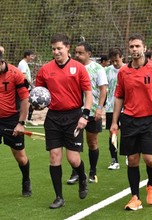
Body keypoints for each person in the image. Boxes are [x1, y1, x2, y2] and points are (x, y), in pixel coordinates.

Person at [110, 33, 152, 211]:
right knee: (133, 159)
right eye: (131, 47)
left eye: (137, 46)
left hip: (150, 119)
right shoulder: (123, 72)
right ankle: (135, 197)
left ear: (144, 47)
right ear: (128, 50)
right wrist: (114, 122)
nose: (134, 49)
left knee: (150, 160)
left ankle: (151, 184)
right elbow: (119, 97)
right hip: (129, 120)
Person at [35, 33, 92, 209]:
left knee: (73, 159)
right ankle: (59, 197)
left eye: (59, 48)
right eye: (53, 49)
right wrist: (36, 104)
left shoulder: (79, 68)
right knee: (54, 157)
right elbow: (39, 93)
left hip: (74, 117)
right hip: (53, 117)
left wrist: (85, 115)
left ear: (67, 47)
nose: (56, 52)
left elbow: (88, 93)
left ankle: (82, 178)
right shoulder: (45, 69)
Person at [66, 41, 107, 184]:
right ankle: (76, 172)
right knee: (73, 143)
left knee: (92, 142)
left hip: (92, 111)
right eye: (76, 52)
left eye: (80, 53)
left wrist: (100, 108)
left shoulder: (98, 69)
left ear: (89, 54)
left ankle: (92, 172)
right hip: (74, 112)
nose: (77, 55)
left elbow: (103, 89)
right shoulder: (71, 67)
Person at [0, 50, 32, 197]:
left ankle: (26, 181)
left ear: (2, 62)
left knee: (20, 157)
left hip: (12, 119)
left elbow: (25, 99)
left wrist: (21, 123)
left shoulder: (15, 73)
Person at [105, 47, 125, 170]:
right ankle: (114, 160)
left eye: (117, 60)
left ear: (122, 57)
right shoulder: (107, 70)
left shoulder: (128, 69)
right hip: (111, 107)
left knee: (127, 133)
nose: (115, 63)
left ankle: (129, 155)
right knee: (113, 134)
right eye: (112, 61)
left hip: (127, 108)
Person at [18, 50, 38, 126]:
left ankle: (28, 119)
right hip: (24, 86)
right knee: (24, 103)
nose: (32, 58)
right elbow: (24, 76)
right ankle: (22, 120)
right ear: (27, 56)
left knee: (30, 102)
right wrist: (31, 84)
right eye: (32, 56)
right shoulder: (22, 63)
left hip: (27, 86)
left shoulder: (25, 63)